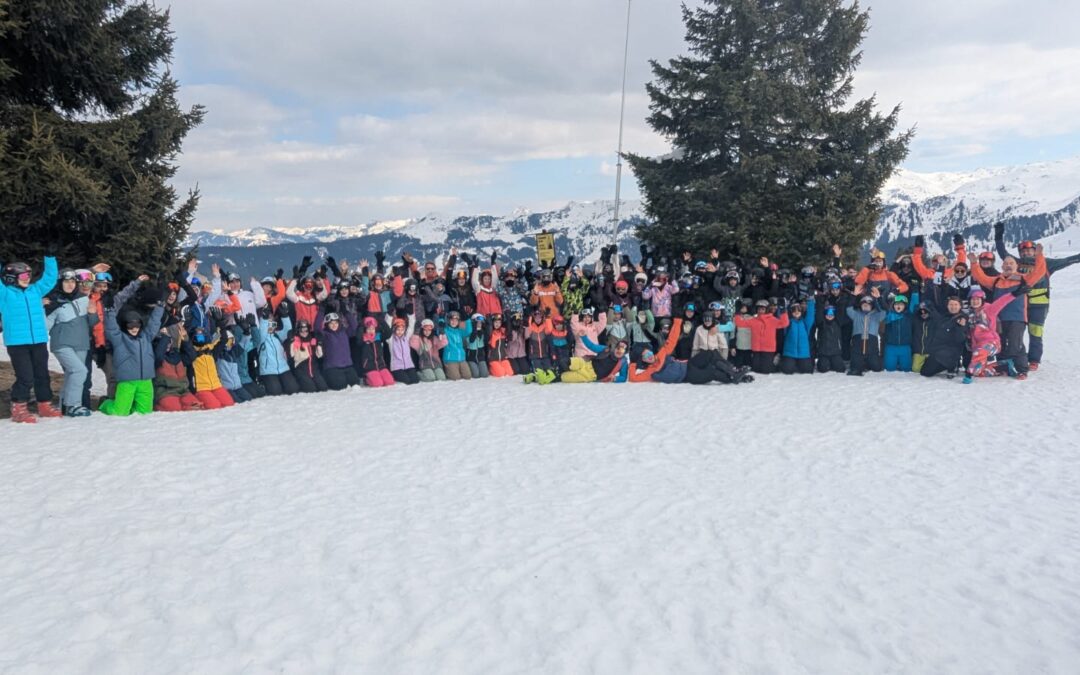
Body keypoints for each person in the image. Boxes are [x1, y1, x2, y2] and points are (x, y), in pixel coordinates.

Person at [995, 221, 1080, 369]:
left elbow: (1067, 261)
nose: (1026, 253)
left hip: (1039, 306)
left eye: (1029, 251)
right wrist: (998, 237)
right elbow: (1003, 253)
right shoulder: (1017, 263)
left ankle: (1034, 360)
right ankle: (1016, 358)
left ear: (1035, 251)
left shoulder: (1047, 263)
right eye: (1023, 252)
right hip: (1020, 306)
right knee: (1016, 334)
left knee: (1035, 332)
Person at [1, 256, 60, 422]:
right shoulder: (4, 295)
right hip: (17, 343)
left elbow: (49, 279)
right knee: (25, 376)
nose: (28, 279)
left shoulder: (35, 291)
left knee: (42, 375)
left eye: (29, 275)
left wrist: (50, 258)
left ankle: (45, 405)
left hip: (38, 340)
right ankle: (19, 407)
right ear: (12, 278)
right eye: (24, 276)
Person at [46, 269, 99, 416]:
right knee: (80, 371)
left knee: (72, 374)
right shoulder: (52, 301)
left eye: (72, 282)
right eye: (66, 281)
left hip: (81, 343)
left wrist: (92, 312)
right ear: (60, 283)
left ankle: (64, 405)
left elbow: (93, 323)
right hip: (62, 343)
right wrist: (40, 307)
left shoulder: (83, 298)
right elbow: (45, 326)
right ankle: (73, 405)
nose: (69, 285)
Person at [99, 304, 165, 416]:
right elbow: (111, 328)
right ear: (125, 325)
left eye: (137, 325)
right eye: (130, 325)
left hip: (145, 381)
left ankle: (132, 406)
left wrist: (160, 306)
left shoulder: (146, 337)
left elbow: (154, 323)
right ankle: (105, 403)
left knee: (145, 413)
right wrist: (109, 311)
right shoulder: (119, 339)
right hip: (127, 381)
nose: (134, 328)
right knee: (119, 412)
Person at [733, 298, 789, 374]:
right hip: (756, 349)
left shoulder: (772, 320)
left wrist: (783, 311)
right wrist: (737, 312)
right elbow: (740, 323)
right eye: (759, 309)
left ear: (767, 309)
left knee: (766, 371)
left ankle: (776, 364)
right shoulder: (753, 320)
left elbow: (784, 323)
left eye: (763, 309)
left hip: (768, 350)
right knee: (756, 370)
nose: (760, 311)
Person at [846, 291, 886, 376]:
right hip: (858, 342)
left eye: (868, 305)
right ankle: (859, 364)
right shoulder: (856, 314)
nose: (866, 306)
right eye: (864, 305)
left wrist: (879, 298)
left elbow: (884, 311)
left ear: (872, 306)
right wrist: (854, 296)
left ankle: (868, 363)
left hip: (871, 343)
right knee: (855, 368)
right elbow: (848, 309)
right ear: (860, 306)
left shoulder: (876, 315)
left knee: (876, 367)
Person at [779, 298, 815, 374]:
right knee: (787, 370)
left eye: (798, 310)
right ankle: (792, 363)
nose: (796, 312)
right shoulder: (788, 323)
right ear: (791, 312)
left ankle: (798, 364)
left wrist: (811, 300)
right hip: (790, 352)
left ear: (801, 312)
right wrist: (782, 309)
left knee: (808, 370)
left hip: (803, 353)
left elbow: (810, 315)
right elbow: (783, 319)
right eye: (794, 311)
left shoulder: (805, 323)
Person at [882, 294, 914, 372]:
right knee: (889, 369)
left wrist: (915, 291)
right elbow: (881, 307)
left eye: (901, 304)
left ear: (905, 306)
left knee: (906, 369)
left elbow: (914, 303)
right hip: (891, 346)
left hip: (905, 347)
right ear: (893, 306)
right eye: (896, 304)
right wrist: (880, 298)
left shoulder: (909, 316)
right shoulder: (889, 316)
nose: (898, 306)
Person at [410, 318, 448, 382]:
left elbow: (444, 343)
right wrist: (416, 332)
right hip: (425, 365)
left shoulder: (434, 339)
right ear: (422, 330)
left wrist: (442, 333)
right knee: (430, 378)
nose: (427, 332)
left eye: (429, 330)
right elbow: (413, 344)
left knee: (442, 378)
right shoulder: (419, 339)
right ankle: (418, 374)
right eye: (425, 330)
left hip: (436, 364)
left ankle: (433, 373)